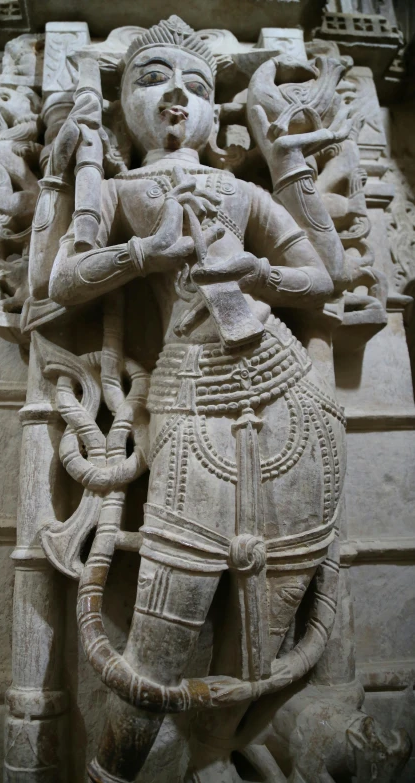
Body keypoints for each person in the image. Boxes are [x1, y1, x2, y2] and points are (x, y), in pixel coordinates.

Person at [46, 16, 347, 783]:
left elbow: (321, 277)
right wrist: (150, 250)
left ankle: (220, 750)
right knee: (159, 639)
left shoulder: (240, 191)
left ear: (218, 116)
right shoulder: (113, 189)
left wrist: (255, 272)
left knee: (276, 623)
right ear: (123, 107)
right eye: (152, 79)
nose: (177, 94)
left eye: (197, 85)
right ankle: (118, 771)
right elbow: (63, 282)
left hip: (286, 391)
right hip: (186, 401)